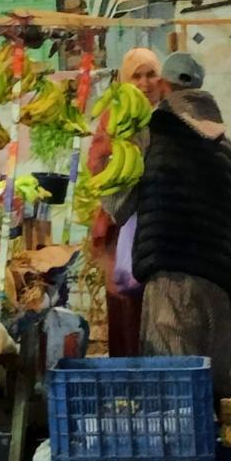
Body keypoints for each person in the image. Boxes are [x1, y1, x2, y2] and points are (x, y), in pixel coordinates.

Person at [130, 52, 231, 401]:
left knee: (172, 393)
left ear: (163, 85)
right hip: (217, 284)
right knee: (217, 393)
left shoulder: (148, 137)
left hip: (170, 279)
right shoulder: (227, 148)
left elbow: (118, 204)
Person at [86, 47, 164, 356]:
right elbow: (97, 165)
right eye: (137, 76)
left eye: (151, 75)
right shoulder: (113, 118)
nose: (144, 84)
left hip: (159, 226)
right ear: (124, 80)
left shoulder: (169, 117)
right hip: (120, 227)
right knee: (125, 307)